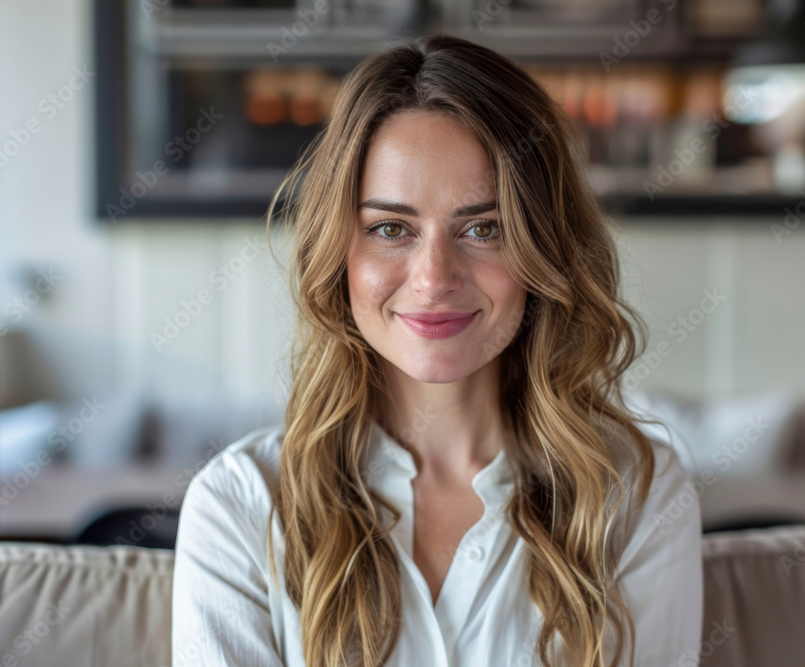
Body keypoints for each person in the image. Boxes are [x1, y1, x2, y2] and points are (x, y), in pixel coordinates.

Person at [171, 32, 702, 667]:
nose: (433, 277)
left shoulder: (636, 495)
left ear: (544, 253)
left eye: (484, 228)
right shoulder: (240, 505)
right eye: (391, 229)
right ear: (338, 253)